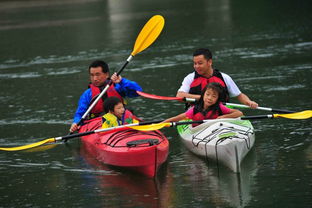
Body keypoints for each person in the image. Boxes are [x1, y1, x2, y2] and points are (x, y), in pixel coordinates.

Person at [70, 60, 142, 132]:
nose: (95, 79)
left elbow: (137, 92)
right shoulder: (87, 94)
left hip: (123, 120)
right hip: (99, 124)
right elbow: (80, 114)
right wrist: (75, 123)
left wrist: (122, 81)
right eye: (92, 75)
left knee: (128, 111)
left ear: (107, 74)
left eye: (98, 75)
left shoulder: (117, 86)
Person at [176, 48, 258, 108]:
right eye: (195, 63)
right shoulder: (190, 78)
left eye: (200, 63)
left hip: (221, 111)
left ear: (210, 62)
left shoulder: (224, 77)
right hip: (198, 111)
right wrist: (204, 98)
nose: (196, 66)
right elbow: (179, 96)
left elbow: (239, 95)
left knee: (238, 114)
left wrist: (249, 102)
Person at [163, 83, 243, 126]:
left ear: (217, 99)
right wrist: (161, 124)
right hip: (198, 131)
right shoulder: (195, 109)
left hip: (215, 131)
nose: (209, 98)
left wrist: (223, 117)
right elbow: (177, 118)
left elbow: (239, 113)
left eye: (214, 96)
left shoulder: (219, 107)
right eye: (207, 94)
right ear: (203, 95)